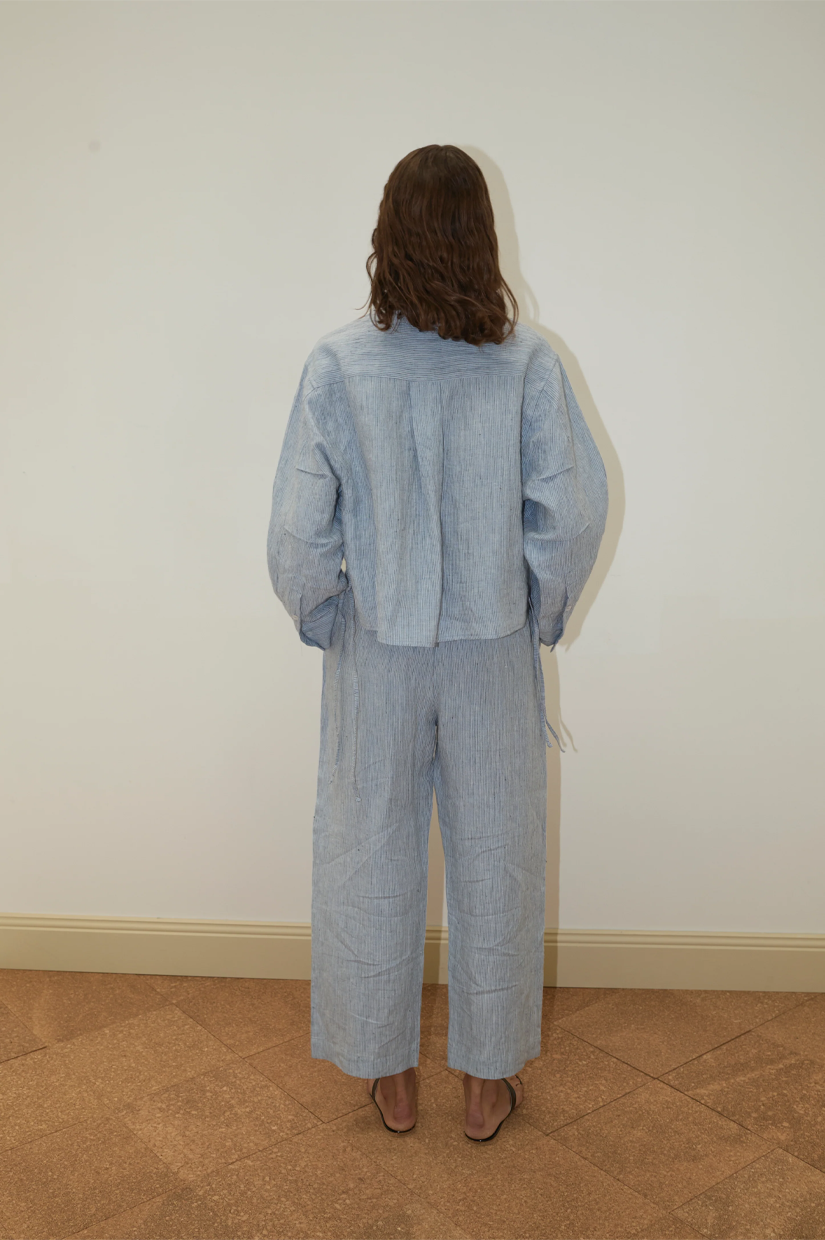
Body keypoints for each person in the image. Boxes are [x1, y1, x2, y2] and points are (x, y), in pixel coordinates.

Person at [266, 145, 608, 1142]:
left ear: (388, 235)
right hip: (489, 651)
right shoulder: (527, 363)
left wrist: (325, 614)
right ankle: (486, 1084)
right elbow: (572, 515)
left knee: (365, 849)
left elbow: (297, 530)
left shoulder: (338, 364)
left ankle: (390, 1075)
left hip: (377, 645)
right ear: (479, 237)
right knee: (498, 856)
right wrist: (536, 609)